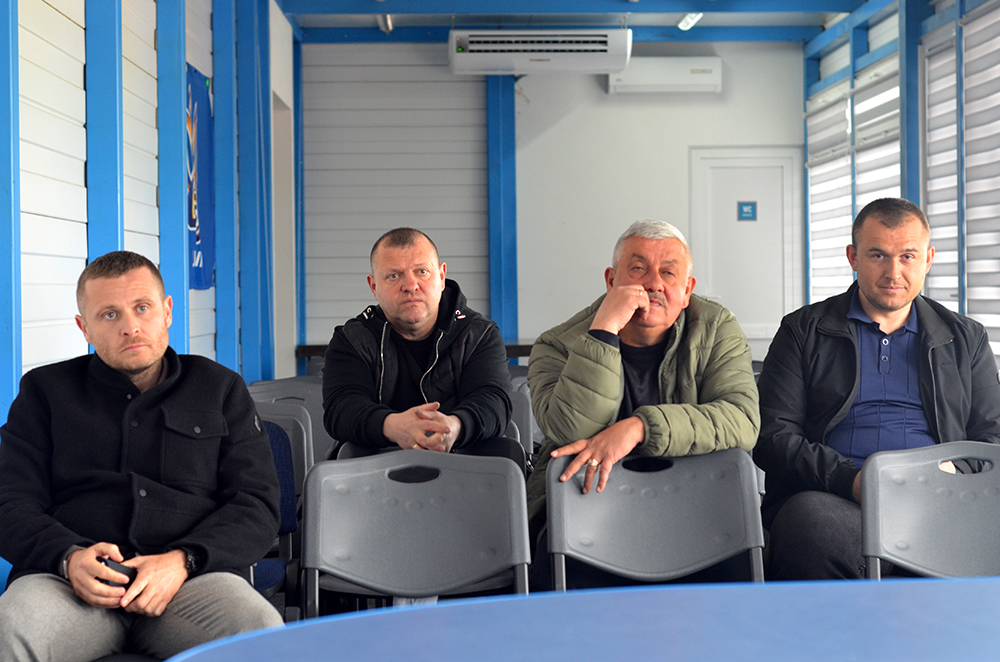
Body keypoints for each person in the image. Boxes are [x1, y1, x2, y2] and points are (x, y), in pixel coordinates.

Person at [0, 251, 284, 661]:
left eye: (142, 308)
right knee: (8, 628)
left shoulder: (220, 388)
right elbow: (10, 502)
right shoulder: (44, 391)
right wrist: (67, 557)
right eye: (109, 315)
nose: (130, 327)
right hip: (67, 587)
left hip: (191, 585)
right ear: (84, 328)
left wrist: (184, 560)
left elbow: (256, 504)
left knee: (260, 631)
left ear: (167, 311)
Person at [755, 197, 1000, 580]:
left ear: (927, 259)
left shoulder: (965, 338)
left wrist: (953, 473)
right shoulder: (803, 331)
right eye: (878, 255)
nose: (893, 272)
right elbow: (774, 436)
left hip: (942, 499)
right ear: (853, 257)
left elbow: (992, 436)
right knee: (811, 524)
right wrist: (853, 481)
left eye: (907, 256)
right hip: (834, 499)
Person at [526, 220, 760, 589]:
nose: (653, 283)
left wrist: (639, 428)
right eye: (638, 269)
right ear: (611, 281)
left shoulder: (716, 328)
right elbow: (570, 429)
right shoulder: (556, 344)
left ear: (687, 290)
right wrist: (604, 330)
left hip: (697, 505)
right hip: (590, 505)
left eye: (668, 272)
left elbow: (741, 420)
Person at [323, 227, 518, 465]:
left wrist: (452, 428)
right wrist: (394, 426)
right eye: (394, 276)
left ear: (441, 276)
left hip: (466, 470)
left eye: (422, 272)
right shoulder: (352, 339)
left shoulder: (479, 334)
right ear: (374, 287)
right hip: (371, 474)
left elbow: (494, 402)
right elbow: (341, 408)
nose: (410, 285)